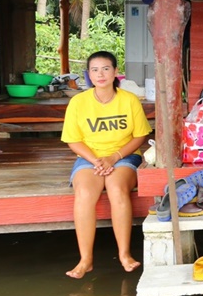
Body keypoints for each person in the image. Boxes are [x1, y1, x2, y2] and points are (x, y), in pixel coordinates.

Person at [61, 51, 150, 279]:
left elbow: (140, 135)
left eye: (106, 68)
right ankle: (85, 260)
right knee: (84, 193)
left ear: (116, 72)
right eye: (95, 70)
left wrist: (114, 157)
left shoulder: (129, 100)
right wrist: (96, 161)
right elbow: (73, 140)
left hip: (125, 156)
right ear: (88, 74)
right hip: (89, 158)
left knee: (116, 188)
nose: (100, 74)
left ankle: (124, 254)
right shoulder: (78, 102)